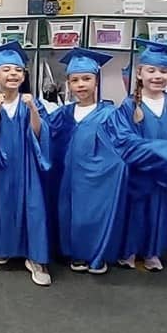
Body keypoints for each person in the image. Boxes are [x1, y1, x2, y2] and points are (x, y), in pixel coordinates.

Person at [106, 39, 167, 272]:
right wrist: (161, 153)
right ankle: (129, 251)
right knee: (136, 212)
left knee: (158, 212)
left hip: (163, 174)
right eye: (151, 70)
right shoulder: (129, 106)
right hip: (138, 173)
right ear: (140, 73)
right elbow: (125, 140)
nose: (157, 76)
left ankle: (152, 252)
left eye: (163, 71)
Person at [0, 42, 52, 286]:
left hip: (28, 166)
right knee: (4, 207)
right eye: (6, 69)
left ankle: (36, 258)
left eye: (18, 70)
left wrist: (32, 107)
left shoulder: (33, 102)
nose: (13, 74)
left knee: (34, 208)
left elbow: (40, 133)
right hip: (1, 166)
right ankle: (5, 247)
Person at [49, 48, 126, 274]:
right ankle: (74, 253)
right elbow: (44, 134)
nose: (81, 85)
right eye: (75, 80)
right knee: (69, 214)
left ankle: (96, 254)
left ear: (96, 81)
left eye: (86, 79)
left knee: (92, 215)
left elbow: (120, 143)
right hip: (67, 175)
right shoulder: (63, 113)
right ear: (68, 84)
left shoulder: (109, 112)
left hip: (97, 177)